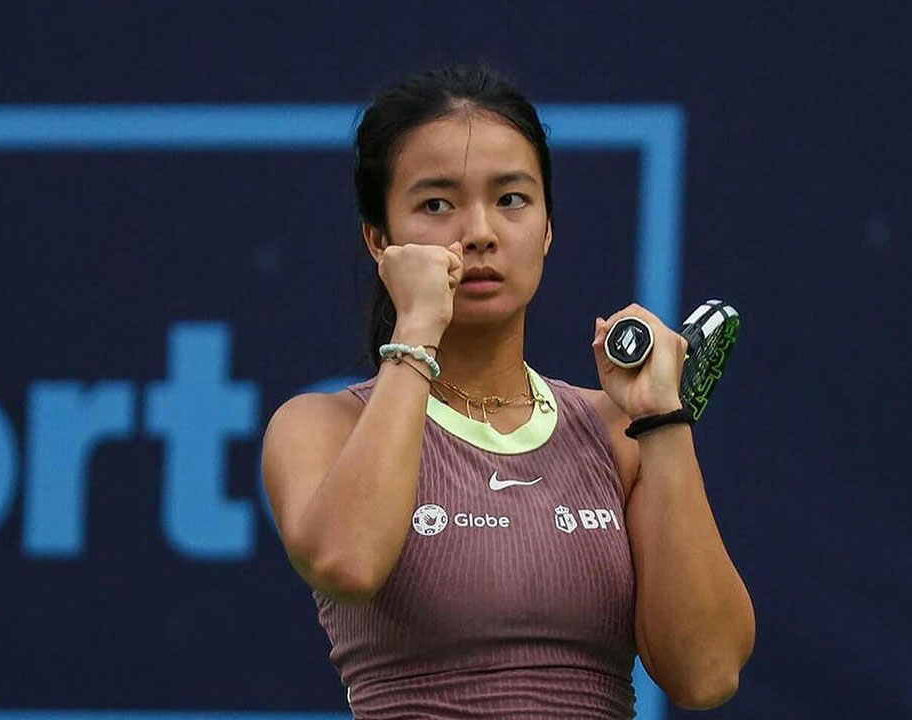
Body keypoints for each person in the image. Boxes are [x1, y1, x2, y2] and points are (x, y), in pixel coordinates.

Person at [261, 63, 755, 718]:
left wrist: (663, 421)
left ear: (547, 227)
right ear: (380, 241)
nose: (480, 232)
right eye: (437, 205)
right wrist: (417, 329)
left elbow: (707, 672)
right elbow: (347, 562)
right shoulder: (320, 426)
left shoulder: (619, 432)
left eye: (512, 199)